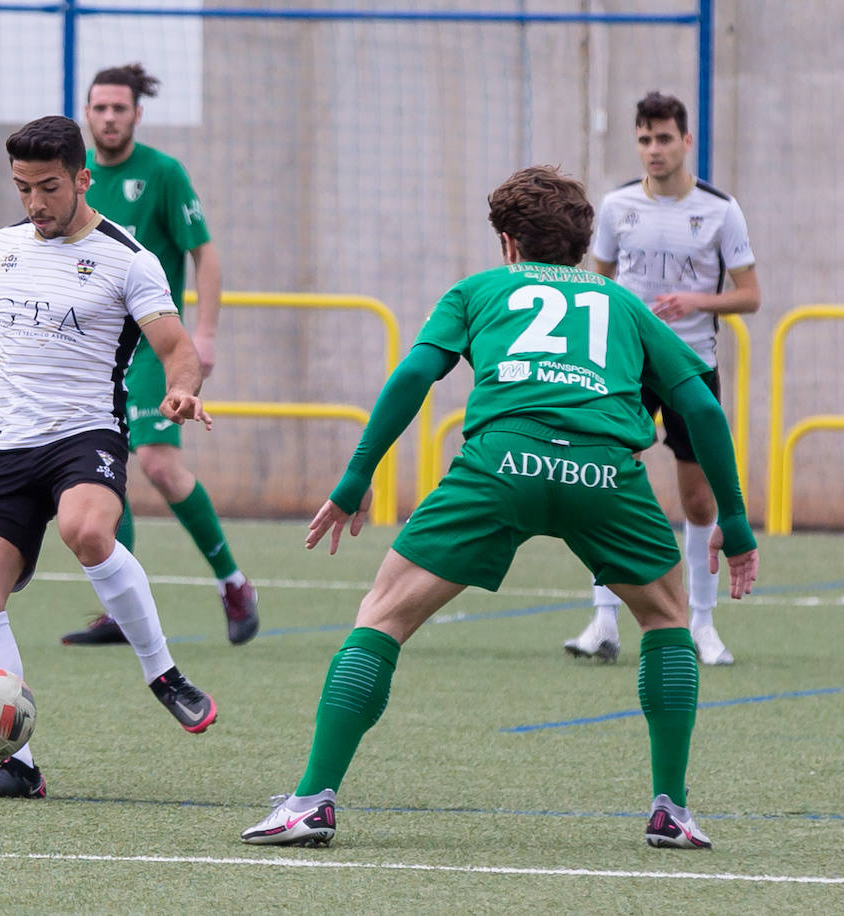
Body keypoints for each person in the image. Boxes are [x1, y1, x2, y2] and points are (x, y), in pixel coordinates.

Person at [239, 165, 759, 850]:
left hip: (501, 463)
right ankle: (673, 810)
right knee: (666, 621)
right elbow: (699, 405)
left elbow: (415, 375)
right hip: (604, 471)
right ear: (579, 243)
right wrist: (738, 523)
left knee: (383, 616)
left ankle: (311, 802)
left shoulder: (479, 290)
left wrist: (355, 478)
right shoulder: (622, 303)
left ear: (509, 243)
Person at [0, 115, 219, 799]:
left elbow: (176, 349)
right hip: (8, 445)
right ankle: (18, 765)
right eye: (23, 188)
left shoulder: (129, 258)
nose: (35, 203)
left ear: (83, 180)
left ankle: (164, 673)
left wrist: (181, 392)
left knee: (87, 530)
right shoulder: (7, 249)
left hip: (86, 434)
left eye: (49, 187)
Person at [59, 62, 258, 647]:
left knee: (158, 463)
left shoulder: (164, 174)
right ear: (88, 114)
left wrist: (207, 333)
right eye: (100, 108)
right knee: (104, 466)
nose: (110, 117)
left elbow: (206, 253)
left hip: (149, 346)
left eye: (121, 108)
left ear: (137, 114)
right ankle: (122, 612)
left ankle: (233, 582)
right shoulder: (78, 179)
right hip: (93, 349)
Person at [564, 91, 760, 666]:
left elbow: (750, 296)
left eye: (664, 138)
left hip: (690, 367)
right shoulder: (617, 205)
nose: (653, 149)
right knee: (602, 478)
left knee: (699, 499)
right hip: (623, 368)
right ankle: (603, 621)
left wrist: (696, 299)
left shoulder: (722, 210)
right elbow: (595, 284)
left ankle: (701, 623)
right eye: (645, 138)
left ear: (686, 141)